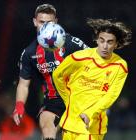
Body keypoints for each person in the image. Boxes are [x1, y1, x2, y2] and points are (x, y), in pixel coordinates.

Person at [12, 3, 89, 140]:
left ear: (56, 23)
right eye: (42, 22)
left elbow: (94, 62)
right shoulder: (29, 53)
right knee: (47, 130)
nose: (46, 27)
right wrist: (19, 106)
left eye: (50, 22)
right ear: (35, 22)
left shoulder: (72, 43)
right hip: (53, 101)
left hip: (79, 98)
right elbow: (23, 84)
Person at [53, 19, 132, 140]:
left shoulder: (120, 65)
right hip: (69, 123)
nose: (105, 46)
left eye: (110, 42)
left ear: (116, 44)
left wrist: (90, 113)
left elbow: (110, 96)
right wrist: (67, 99)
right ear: (97, 40)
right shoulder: (79, 57)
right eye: (102, 41)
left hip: (91, 127)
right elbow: (57, 75)